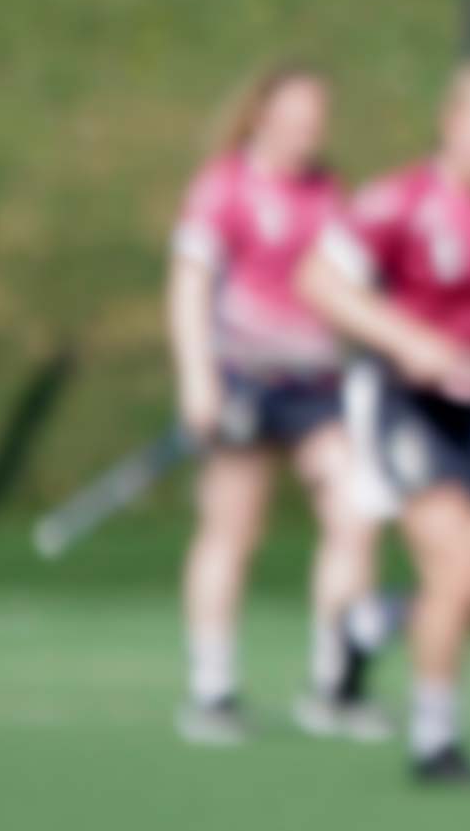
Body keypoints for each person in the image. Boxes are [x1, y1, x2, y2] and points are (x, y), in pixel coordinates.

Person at [297, 65, 470, 786]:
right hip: (403, 402)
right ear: (452, 125)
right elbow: (318, 279)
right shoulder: (398, 203)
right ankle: (435, 738)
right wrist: (407, 340)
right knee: (451, 571)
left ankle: (367, 626)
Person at [167, 65, 396, 747]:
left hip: (318, 386)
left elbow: (353, 287)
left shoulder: (330, 193)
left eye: (315, 120)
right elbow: (188, 285)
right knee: (231, 531)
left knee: (354, 517)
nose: (305, 133)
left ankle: (335, 684)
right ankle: (212, 688)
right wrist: (197, 379)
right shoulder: (224, 187)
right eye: (293, 118)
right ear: (261, 115)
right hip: (242, 378)